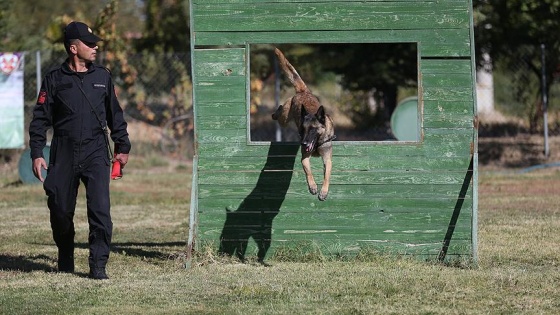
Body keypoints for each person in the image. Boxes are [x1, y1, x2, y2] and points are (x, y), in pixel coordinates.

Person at [29, 21, 131, 280]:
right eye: (89, 43)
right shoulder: (54, 80)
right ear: (73, 48)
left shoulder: (103, 77)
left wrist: (122, 146)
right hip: (63, 150)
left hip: (96, 150)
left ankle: (98, 266)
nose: (95, 47)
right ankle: (66, 254)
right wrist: (37, 152)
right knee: (60, 209)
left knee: (100, 211)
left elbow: (115, 115)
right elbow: (40, 119)